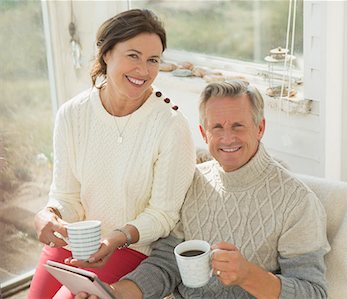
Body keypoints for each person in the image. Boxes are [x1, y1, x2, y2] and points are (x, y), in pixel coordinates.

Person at [77, 80, 330, 299]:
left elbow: (313, 292)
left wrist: (248, 276)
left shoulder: (297, 201)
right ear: (204, 133)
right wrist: (116, 293)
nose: (227, 138)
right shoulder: (191, 180)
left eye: (238, 126)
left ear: (260, 128)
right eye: (217, 128)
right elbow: (165, 264)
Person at [29, 9, 196, 298]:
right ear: (106, 54)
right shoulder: (72, 114)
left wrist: (116, 238)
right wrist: (49, 214)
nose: (143, 70)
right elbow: (67, 196)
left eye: (153, 60)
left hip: (131, 250)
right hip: (74, 245)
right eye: (133, 55)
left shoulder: (171, 126)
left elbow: (164, 215)